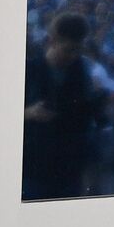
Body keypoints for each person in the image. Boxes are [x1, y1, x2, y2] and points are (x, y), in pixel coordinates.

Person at [23, 12, 102, 200]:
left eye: (77, 50)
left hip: (69, 169)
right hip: (33, 168)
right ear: (52, 41)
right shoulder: (30, 71)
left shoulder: (81, 73)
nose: (73, 56)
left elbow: (86, 122)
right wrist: (28, 113)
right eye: (68, 50)